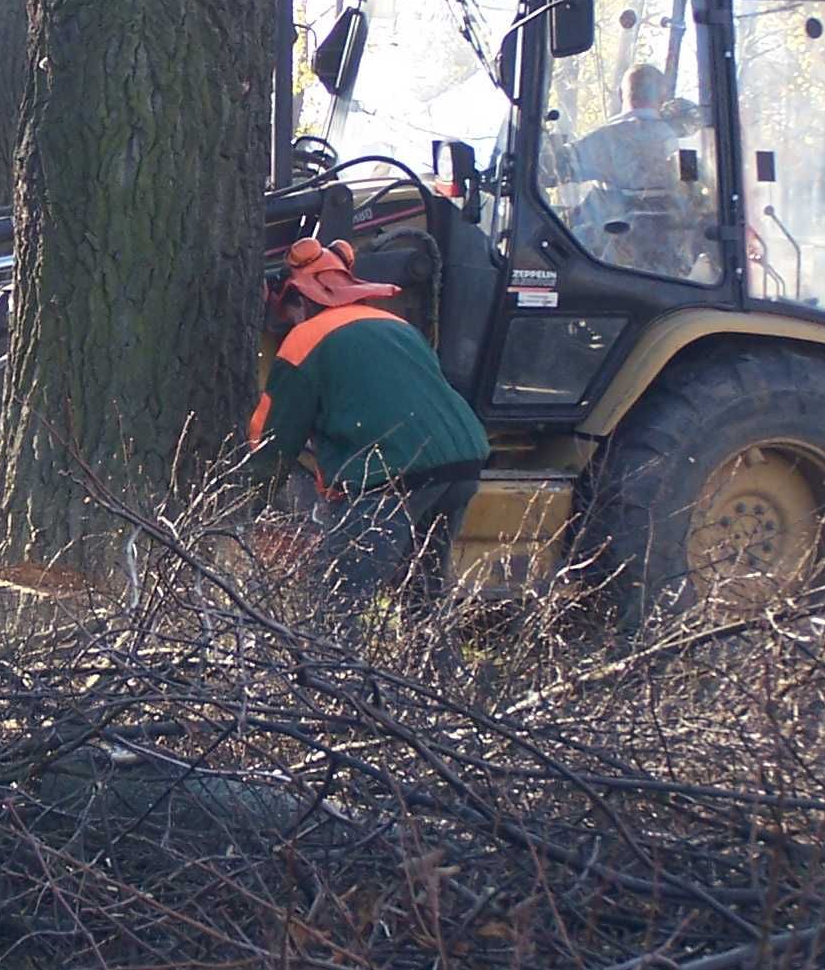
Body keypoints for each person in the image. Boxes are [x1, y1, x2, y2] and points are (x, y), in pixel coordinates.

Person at [246, 238, 490, 619]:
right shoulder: (396, 325)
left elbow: (276, 440)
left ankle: (336, 678)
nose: (288, 322)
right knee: (422, 602)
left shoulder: (305, 340)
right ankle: (434, 677)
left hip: (391, 478)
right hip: (461, 465)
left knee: (333, 605)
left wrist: (247, 500)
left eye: (288, 312)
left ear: (301, 299)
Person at [546, 64, 699, 276]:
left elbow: (550, 170)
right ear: (663, 97)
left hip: (610, 270)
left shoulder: (605, 140)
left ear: (620, 94)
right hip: (674, 268)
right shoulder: (684, 142)